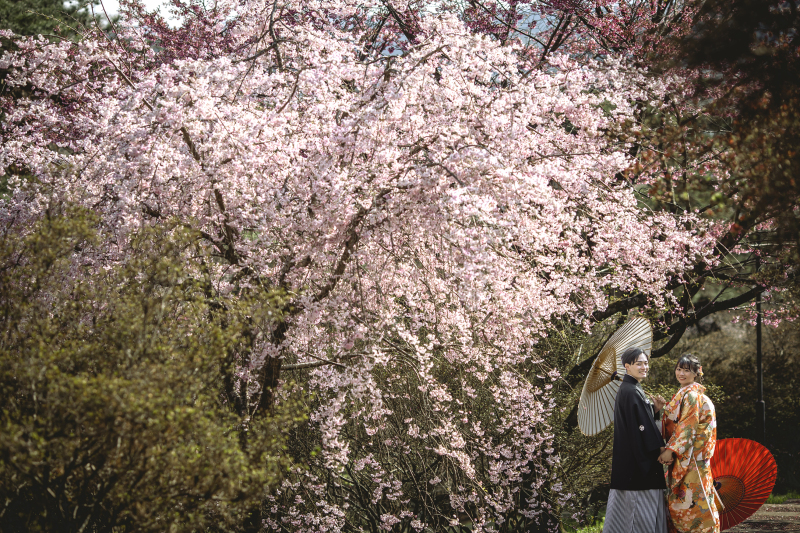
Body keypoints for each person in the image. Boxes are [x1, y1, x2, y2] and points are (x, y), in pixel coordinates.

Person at [604, 347, 669, 533]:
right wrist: (660, 450)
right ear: (627, 366)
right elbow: (642, 430)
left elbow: (639, 423)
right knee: (639, 520)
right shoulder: (631, 391)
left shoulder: (630, 389)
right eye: (639, 363)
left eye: (646, 363)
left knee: (626, 520)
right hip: (638, 470)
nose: (644, 367)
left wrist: (653, 411)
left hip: (629, 466)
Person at [658, 354, 720, 533]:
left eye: (687, 370)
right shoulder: (686, 393)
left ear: (696, 373)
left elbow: (687, 426)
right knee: (697, 502)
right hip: (693, 456)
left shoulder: (691, 395)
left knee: (693, 506)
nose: (681, 373)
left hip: (691, 459)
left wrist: (671, 450)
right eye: (679, 369)